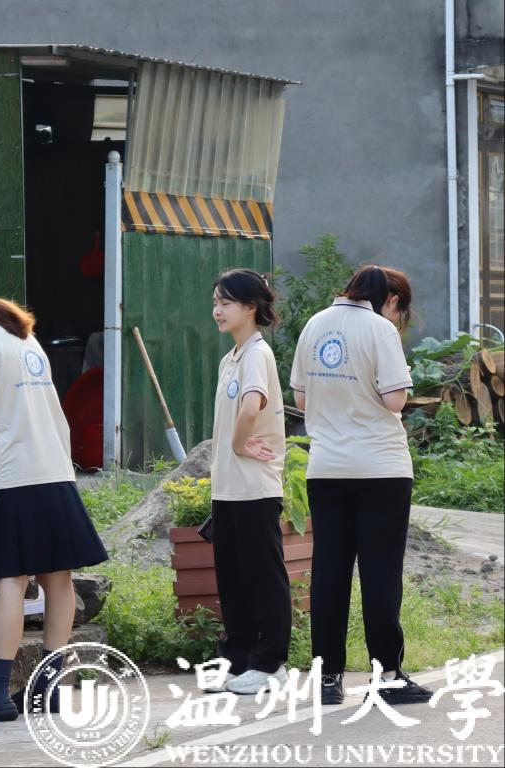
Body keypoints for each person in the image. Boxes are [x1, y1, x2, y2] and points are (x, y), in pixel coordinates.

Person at [0, 287, 109, 722]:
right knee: (58, 578)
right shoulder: (25, 338)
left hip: (15, 479)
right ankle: (49, 689)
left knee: (11, 580)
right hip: (55, 472)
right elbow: (28, 420)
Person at [291, 265, 432, 706]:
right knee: (380, 574)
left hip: (326, 468)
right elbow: (395, 399)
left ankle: (328, 678)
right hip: (380, 469)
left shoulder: (315, 325)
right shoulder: (379, 329)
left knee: (329, 572)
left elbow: (300, 398)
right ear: (393, 300)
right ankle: (387, 675)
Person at [209, 269, 290, 695]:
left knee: (262, 578)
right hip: (228, 487)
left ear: (250, 307)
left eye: (225, 302)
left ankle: (270, 664)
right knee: (234, 581)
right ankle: (239, 662)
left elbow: (251, 407)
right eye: (215, 303)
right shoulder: (232, 358)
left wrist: (240, 445)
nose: (217, 310)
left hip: (255, 486)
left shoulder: (258, 354)